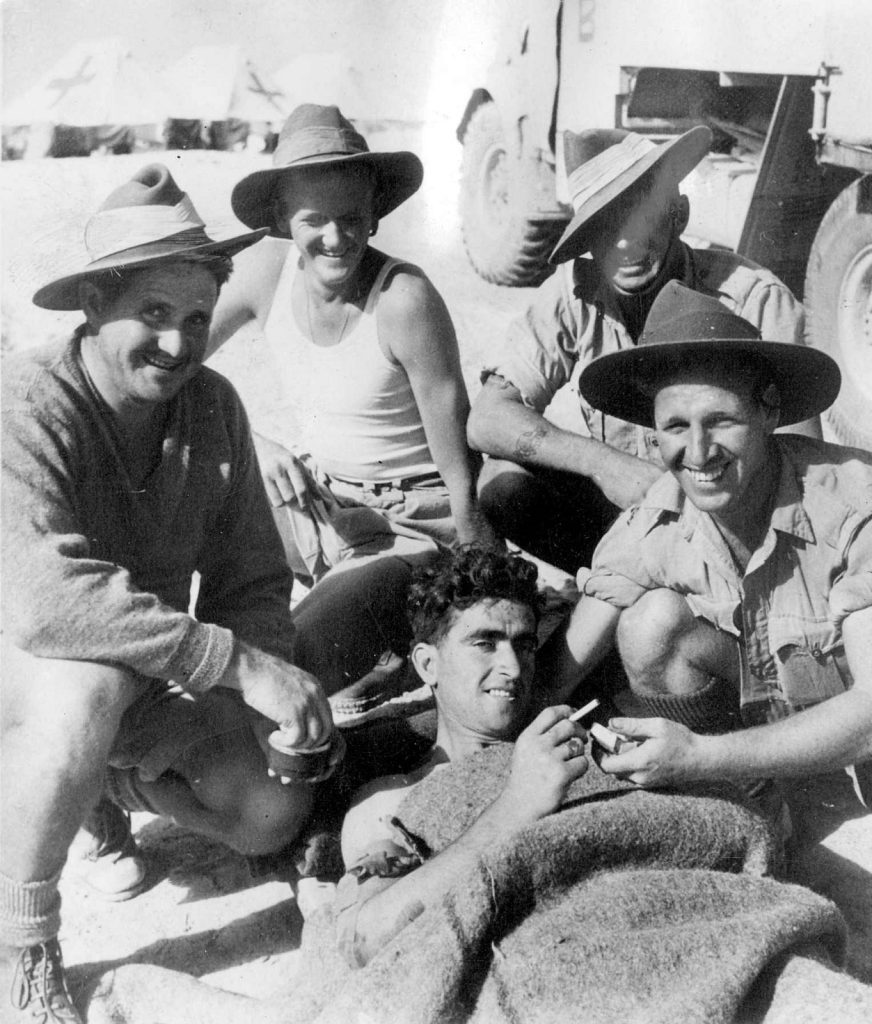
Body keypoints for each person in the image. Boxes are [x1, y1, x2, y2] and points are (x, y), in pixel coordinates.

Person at [0, 164, 338, 1024]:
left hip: (137, 673)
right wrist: (235, 665)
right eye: (152, 313)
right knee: (86, 686)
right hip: (27, 675)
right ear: (93, 304)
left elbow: (251, 578)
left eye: (195, 318)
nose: (178, 345)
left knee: (270, 809)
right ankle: (20, 946)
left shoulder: (212, 407)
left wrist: (264, 696)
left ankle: (94, 792)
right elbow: (45, 603)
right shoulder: (27, 402)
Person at [541, 281, 872, 802]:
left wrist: (698, 756)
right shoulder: (655, 520)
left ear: (768, 412)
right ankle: (747, 803)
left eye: (721, 421)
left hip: (861, 741)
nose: (698, 452)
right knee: (650, 624)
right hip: (771, 741)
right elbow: (556, 678)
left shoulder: (856, 504)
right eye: (676, 426)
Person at [467, 125, 818, 573]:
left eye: (641, 218)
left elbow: (803, 464)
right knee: (503, 483)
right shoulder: (576, 292)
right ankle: (622, 583)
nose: (623, 243)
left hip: (732, 524)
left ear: (679, 216)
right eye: (602, 226)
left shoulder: (753, 299)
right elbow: (487, 418)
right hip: (632, 515)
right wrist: (603, 464)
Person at [209, 103, 497, 579]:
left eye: (351, 218)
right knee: (198, 485)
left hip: (410, 519)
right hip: (322, 500)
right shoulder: (264, 274)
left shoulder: (404, 298)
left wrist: (480, 582)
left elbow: (461, 477)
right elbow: (175, 363)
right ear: (281, 217)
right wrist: (254, 444)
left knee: (323, 621)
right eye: (313, 220)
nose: (335, 238)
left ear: (374, 214)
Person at [334, 546, 588, 967]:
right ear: (427, 664)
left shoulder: (566, 747)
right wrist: (516, 807)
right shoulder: (390, 803)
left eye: (525, 645)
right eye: (485, 643)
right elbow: (363, 940)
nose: (513, 667)